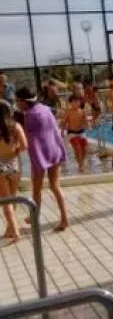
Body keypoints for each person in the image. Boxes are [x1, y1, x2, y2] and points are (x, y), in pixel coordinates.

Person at [15, 88, 68, 232]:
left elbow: (26, 138)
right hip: (55, 151)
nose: (16, 104)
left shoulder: (29, 115)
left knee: (37, 189)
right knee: (55, 186)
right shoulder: (45, 109)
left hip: (40, 155)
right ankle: (64, 218)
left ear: (23, 101)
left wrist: (14, 149)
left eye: (17, 101)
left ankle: (34, 217)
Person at [0, 100, 26, 241]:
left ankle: (15, 231)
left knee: (6, 201)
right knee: (13, 198)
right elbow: (25, 145)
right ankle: (10, 229)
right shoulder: (15, 126)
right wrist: (15, 150)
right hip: (14, 164)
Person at [61, 95, 89, 173]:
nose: (76, 103)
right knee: (77, 148)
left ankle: (81, 163)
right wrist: (62, 131)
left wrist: (88, 125)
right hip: (72, 133)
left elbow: (85, 121)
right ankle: (80, 165)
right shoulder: (68, 112)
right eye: (74, 102)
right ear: (70, 103)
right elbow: (64, 122)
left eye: (78, 102)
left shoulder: (82, 111)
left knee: (85, 148)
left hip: (81, 131)